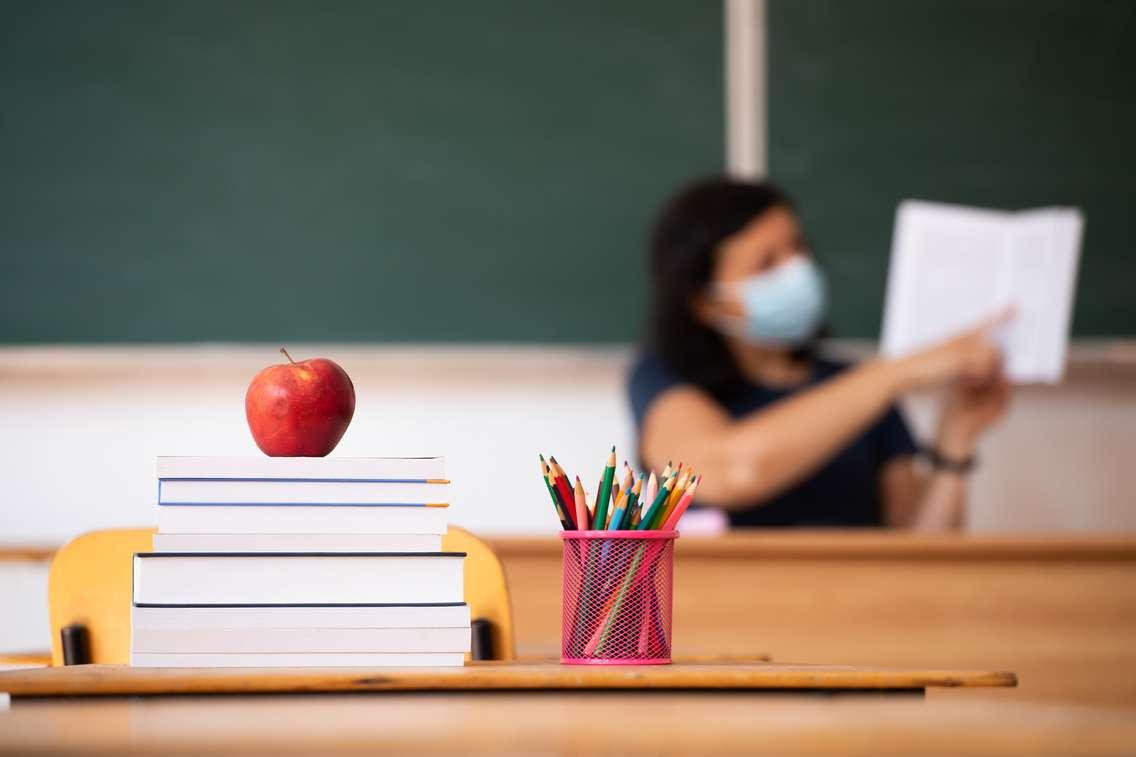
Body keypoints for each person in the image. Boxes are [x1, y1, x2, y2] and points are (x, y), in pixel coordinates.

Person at [628, 178, 1011, 529]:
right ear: (706, 303)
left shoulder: (860, 387)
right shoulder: (663, 377)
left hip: (859, 604)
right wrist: (894, 373)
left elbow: (920, 553)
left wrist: (956, 439)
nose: (797, 269)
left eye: (797, 247)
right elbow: (731, 471)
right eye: (766, 263)